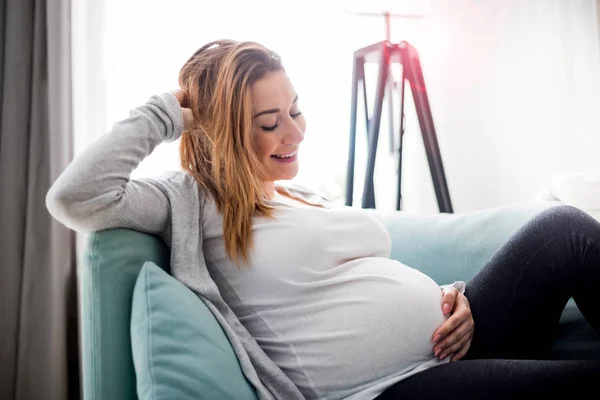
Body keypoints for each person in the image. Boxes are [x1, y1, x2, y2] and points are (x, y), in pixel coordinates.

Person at [46, 39, 600, 400]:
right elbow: (74, 198)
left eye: (295, 110)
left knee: (564, 229)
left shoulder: (299, 193)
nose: (295, 133)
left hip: (455, 336)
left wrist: (454, 297)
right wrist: (171, 109)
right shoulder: (193, 201)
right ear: (219, 129)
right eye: (269, 123)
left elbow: (355, 285)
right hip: (393, 386)